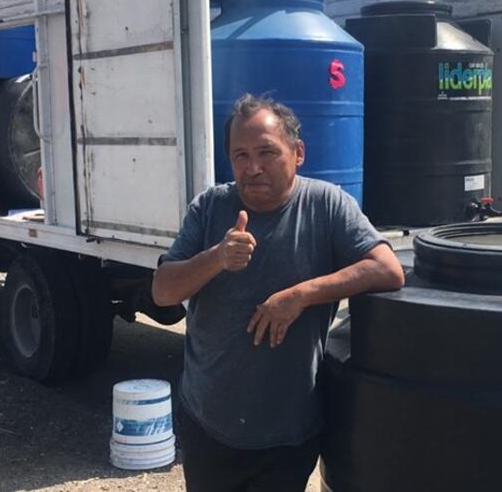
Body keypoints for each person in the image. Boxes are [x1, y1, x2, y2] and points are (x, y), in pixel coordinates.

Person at [153, 94, 404, 492]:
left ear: (298, 152)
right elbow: (163, 291)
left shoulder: (326, 205)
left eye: (266, 152)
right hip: (209, 424)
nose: (252, 168)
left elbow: (387, 269)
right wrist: (217, 257)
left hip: (288, 433)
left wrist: (300, 295)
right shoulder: (210, 207)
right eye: (240, 155)